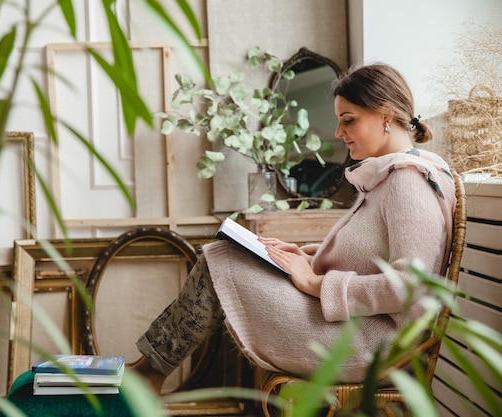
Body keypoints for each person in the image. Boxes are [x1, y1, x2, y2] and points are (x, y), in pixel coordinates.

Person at [129, 63, 457, 394]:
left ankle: (149, 373)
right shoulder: (389, 176)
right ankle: (149, 370)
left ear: (386, 115)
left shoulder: (409, 181)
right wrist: (305, 257)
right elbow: (370, 256)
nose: (339, 132)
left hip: (377, 348)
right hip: (358, 328)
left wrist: (317, 282)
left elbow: (411, 286)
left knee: (223, 258)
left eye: (349, 119)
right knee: (229, 253)